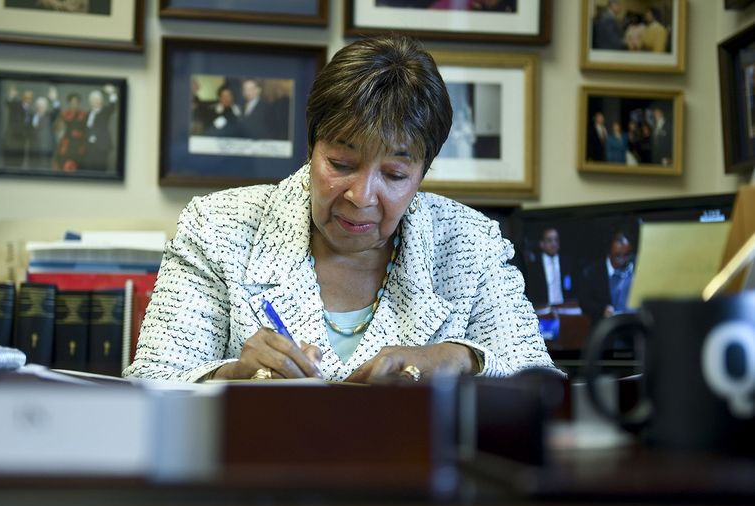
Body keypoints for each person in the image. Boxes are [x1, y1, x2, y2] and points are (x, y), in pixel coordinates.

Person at [124, 36, 556, 384]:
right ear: (312, 147)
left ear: (422, 174)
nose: (361, 196)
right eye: (342, 164)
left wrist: (458, 358)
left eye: (394, 174)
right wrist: (229, 376)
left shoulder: (469, 243)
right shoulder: (219, 227)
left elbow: (542, 386)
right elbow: (152, 382)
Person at [579, 231, 635, 324]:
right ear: (609, 253)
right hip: (604, 326)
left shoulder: (635, 269)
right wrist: (602, 310)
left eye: (626, 255)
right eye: (618, 255)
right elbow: (584, 302)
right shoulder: (593, 272)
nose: (622, 260)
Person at [524, 227, 577, 309]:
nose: (554, 244)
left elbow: (573, 287)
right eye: (549, 240)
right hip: (543, 309)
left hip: (565, 308)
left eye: (556, 240)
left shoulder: (567, 262)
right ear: (541, 244)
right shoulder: (533, 267)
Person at [81, 84, 118, 171]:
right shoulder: (88, 113)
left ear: (101, 101)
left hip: (102, 146)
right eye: (93, 100)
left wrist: (112, 93)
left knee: (101, 170)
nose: (95, 102)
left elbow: (113, 105)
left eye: (97, 100)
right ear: (90, 102)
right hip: (90, 147)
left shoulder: (105, 111)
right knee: (89, 169)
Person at [1, 85, 34, 168]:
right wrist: (11, 95)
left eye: (30, 98)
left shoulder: (31, 112)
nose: (28, 99)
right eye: (26, 97)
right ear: (23, 97)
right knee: (8, 164)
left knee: (18, 164)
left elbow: (30, 127)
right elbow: (8, 102)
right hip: (11, 141)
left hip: (21, 143)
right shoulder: (16, 105)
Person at [55, 92, 87, 172]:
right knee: (63, 164)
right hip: (66, 144)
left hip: (78, 144)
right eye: (72, 102)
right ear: (69, 103)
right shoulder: (64, 114)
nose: (74, 104)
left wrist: (79, 134)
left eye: (76, 102)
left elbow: (86, 130)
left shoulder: (83, 114)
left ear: (78, 103)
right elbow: (58, 128)